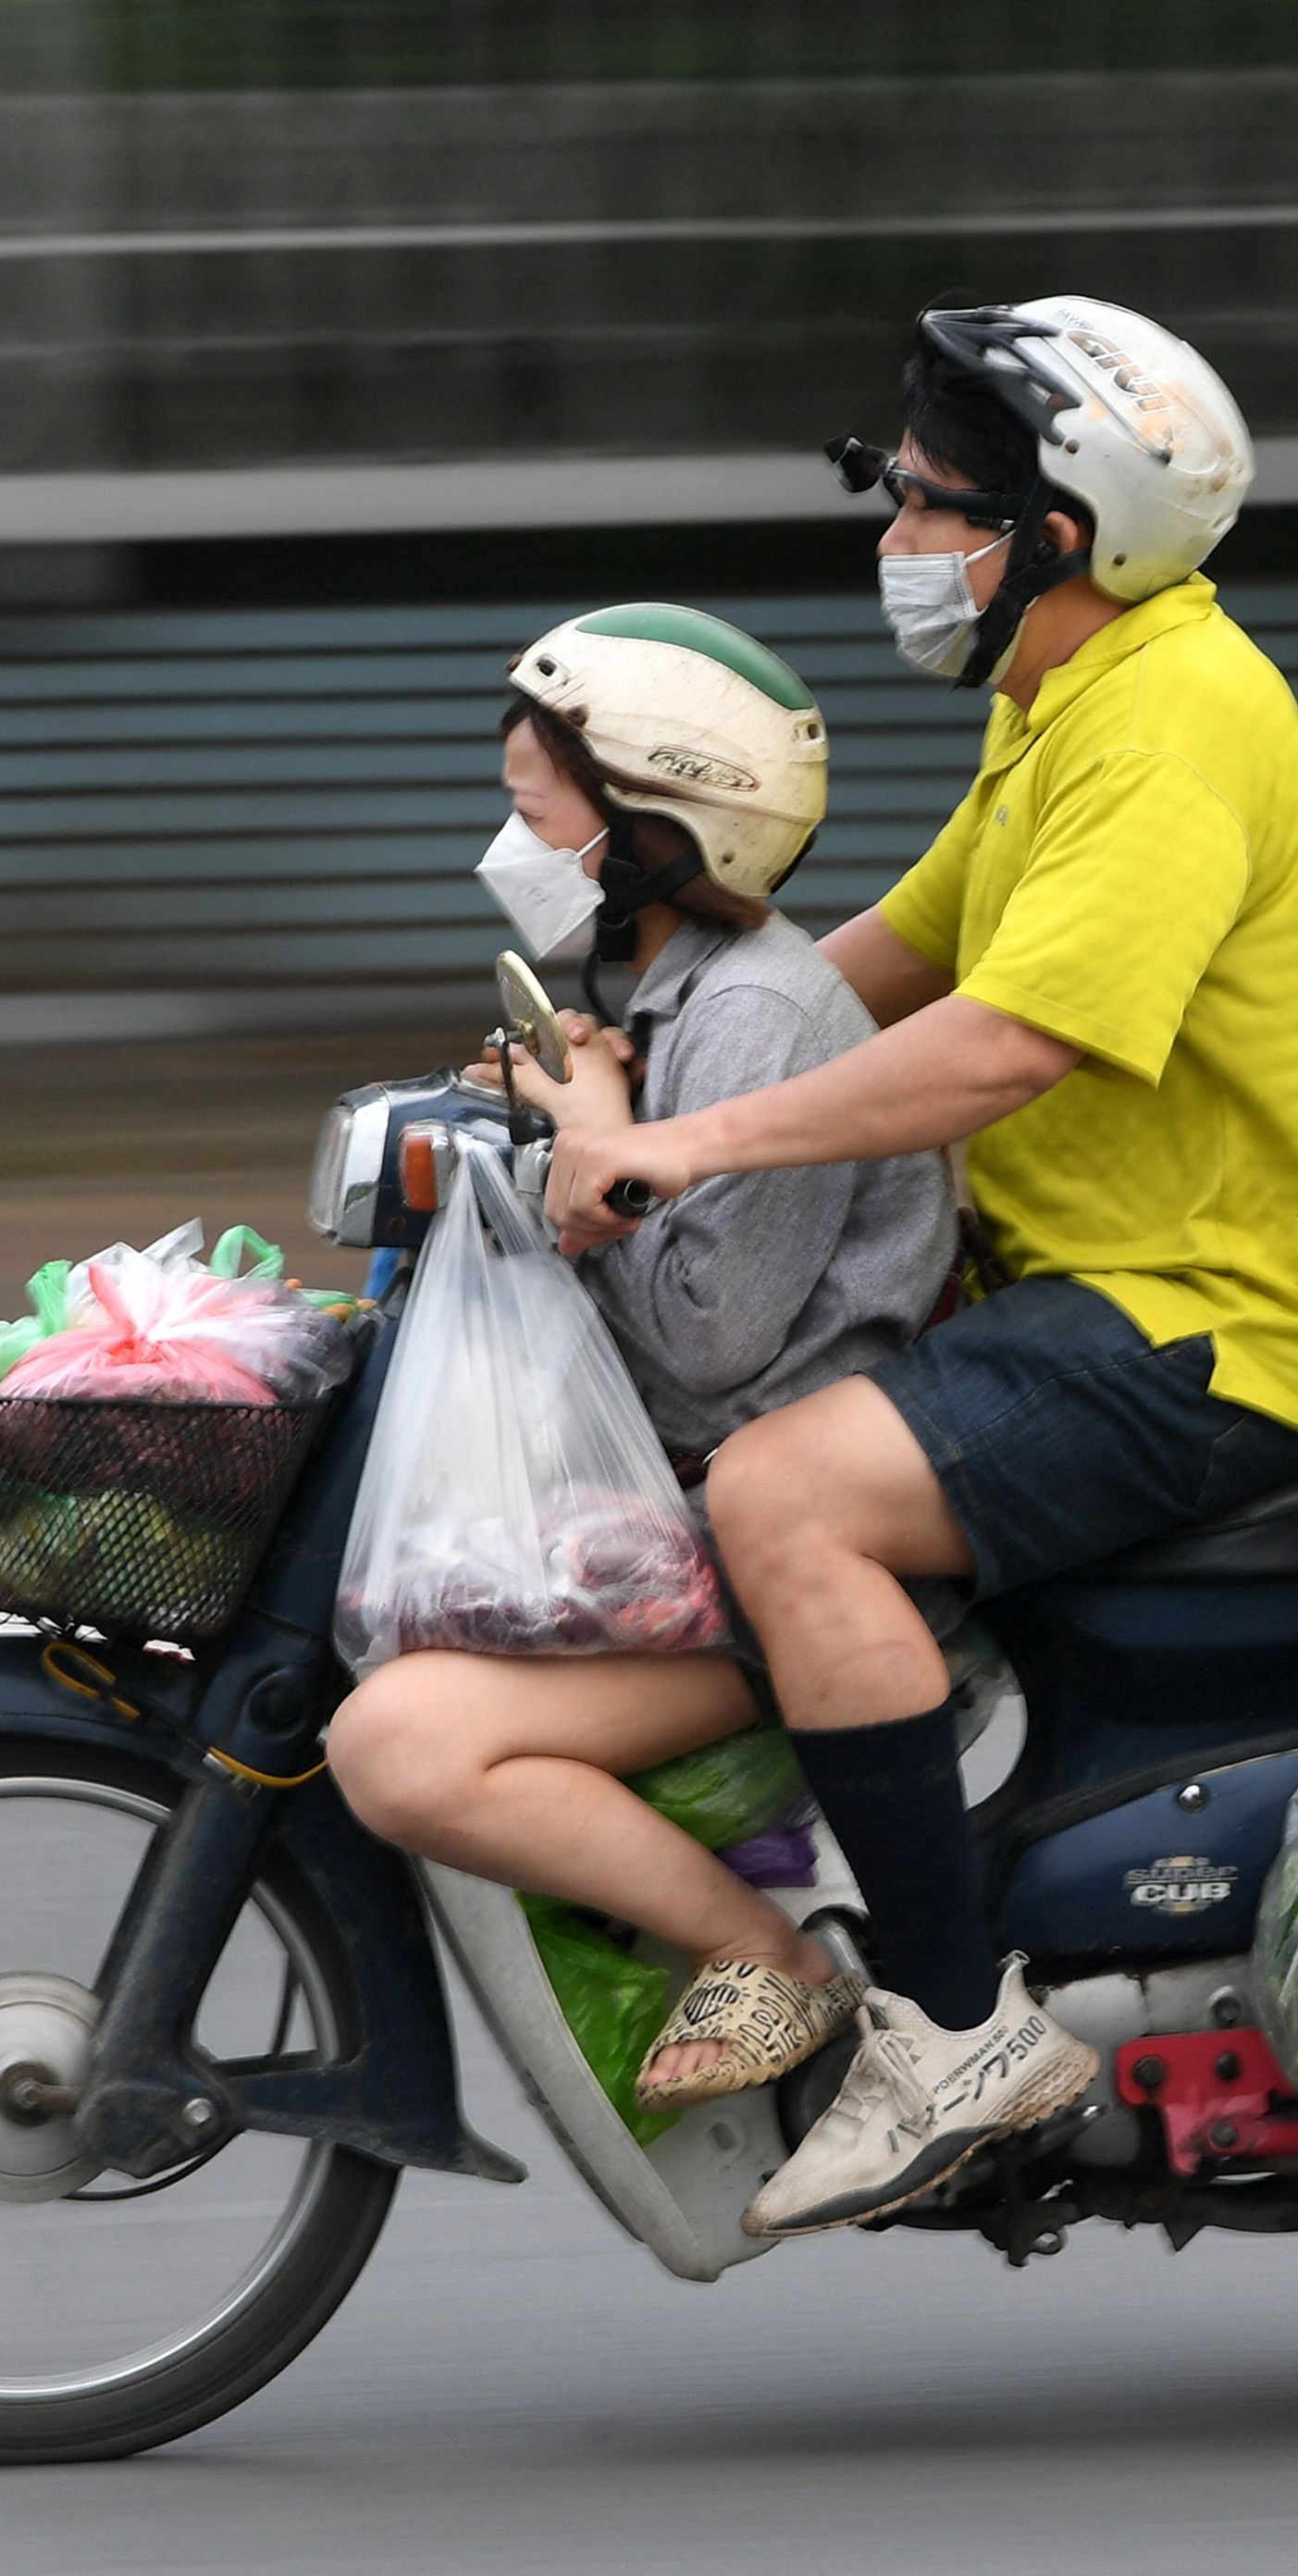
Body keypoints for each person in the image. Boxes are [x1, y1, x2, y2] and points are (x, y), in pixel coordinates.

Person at [546, 300, 1298, 2235]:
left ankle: (944, 2032)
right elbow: (880, 962)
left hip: (1225, 1328)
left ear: (1055, 534)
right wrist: (604, 1074)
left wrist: (683, 1144)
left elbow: (1003, 1041)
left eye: (933, 505)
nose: (898, 541)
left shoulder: (1175, 718)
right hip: (1101, 1291)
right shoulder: (1064, 713)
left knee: (784, 1498)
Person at [324, 602, 957, 2116]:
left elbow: (709, 1346)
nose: (511, 844)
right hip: (687, 1518)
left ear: (659, 827)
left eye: (537, 814)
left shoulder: (753, 1017)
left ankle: (783, 1968)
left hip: (767, 1557)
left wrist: (588, 1141)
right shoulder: (668, 999)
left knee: (401, 1748)